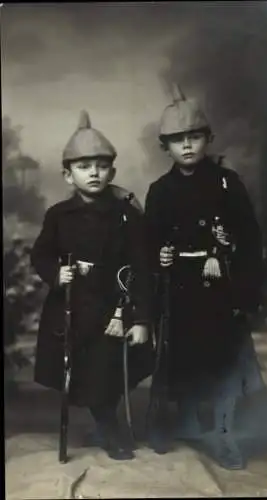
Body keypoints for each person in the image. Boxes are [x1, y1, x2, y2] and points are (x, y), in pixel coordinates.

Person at [145, 85, 264, 470]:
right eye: (178, 140)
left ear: (208, 139)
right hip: (179, 290)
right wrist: (158, 256)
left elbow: (250, 238)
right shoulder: (159, 191)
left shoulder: (228, 184)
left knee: (226, 363)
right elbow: (150, 239)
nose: (188, 146)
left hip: (222, 288)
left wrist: (232, 263)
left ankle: (225, 434)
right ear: (166, 146)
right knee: (184, 361)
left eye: (194, 137)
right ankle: (190, 423)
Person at [31, 110, 153, 461]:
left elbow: (141, 267)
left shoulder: (127, 214)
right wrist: (57, 273)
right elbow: (40, 254)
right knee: (80, 373)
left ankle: (108, 425)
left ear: (112, 172)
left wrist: (141, 318)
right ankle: (103, 422)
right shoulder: (58, 215)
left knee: (109, 370)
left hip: (114, 306)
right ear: (68, 176)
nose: (94, 173)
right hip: (72, 308)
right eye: (84, 167)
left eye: (101, 166)